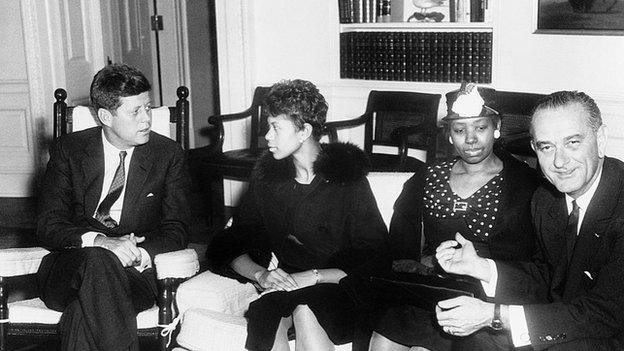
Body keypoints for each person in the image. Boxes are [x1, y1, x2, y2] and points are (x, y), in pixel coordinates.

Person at [208, 79, 389, 351]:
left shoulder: (347, 178)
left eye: (275, 127)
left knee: (307, 310)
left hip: (340, 287)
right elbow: (232, 243)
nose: (267, 136)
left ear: (304, 131)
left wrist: (315, 276)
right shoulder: (268, 178)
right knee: (264, 317)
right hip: (289, 283)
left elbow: (376, 258)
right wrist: (261, 275)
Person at [434, 90, 624, 350]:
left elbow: (607, 313)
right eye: (547, 147)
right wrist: (482, 268)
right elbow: (550, 278)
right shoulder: (547, 200)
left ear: (600, 139)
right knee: (478, 342)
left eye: (572, 143)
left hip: (612, 332)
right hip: (579, 325)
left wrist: (495, 315)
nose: (559, 161)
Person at [369, 84, 542, 351]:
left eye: (480, 128)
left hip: (489, 301)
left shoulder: (526, 184)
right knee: (385, 335)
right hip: (432, 292)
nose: (470, 139)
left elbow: (535, 265)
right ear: (449, 135)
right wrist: (421, 263)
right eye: (460, 130)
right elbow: (402, 241)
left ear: (496, 129)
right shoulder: (428, 177)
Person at [36, 64, 190, 351]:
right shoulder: (68, 151)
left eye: (148, 107)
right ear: (105, 116)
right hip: (69, 269)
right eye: (135, 112)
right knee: (97, 259)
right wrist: (102, 243)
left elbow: (177, 228)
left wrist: (138, 254)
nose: (147, 119)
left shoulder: (167, 155)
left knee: (82, 315)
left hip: (134, 276)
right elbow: (48, 224)